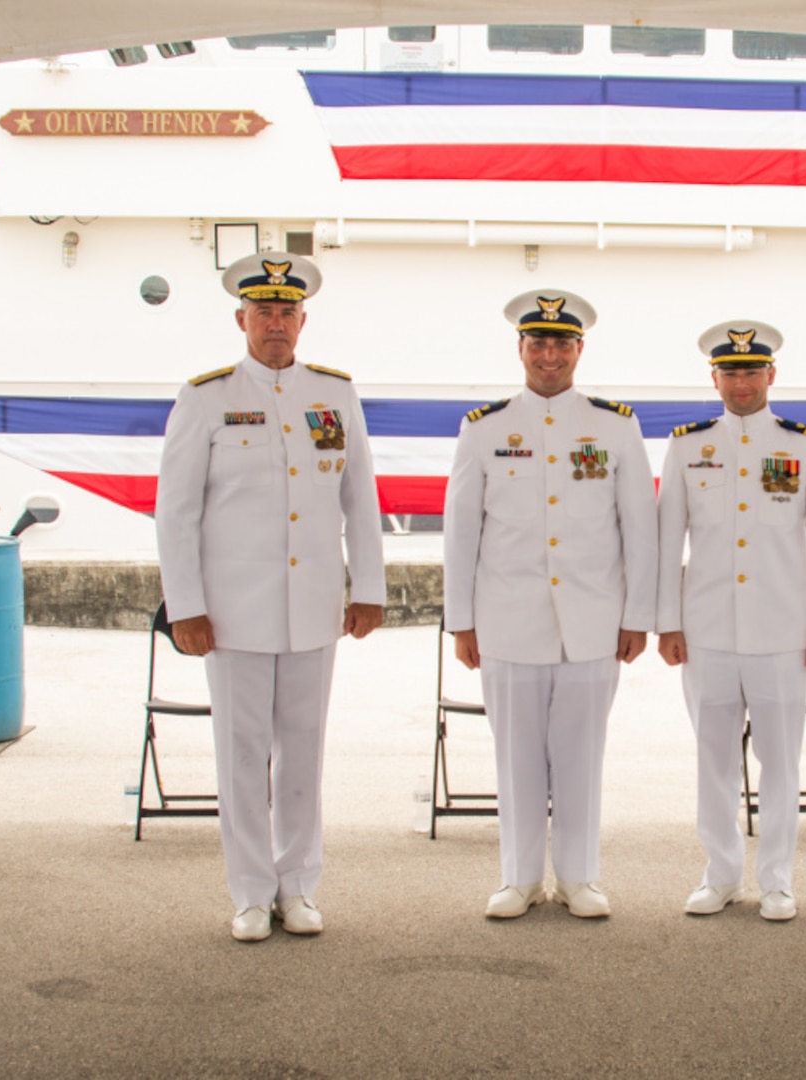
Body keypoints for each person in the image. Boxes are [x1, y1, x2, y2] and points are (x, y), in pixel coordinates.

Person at [155, 252, 385, 942]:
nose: (276, 324)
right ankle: (251, 893)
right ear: (241, 319)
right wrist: (185, 606)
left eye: (287, 312)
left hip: (314, 607)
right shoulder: (207, 397)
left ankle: (299, 887)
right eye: (264, 312)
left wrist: (367, 588)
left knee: (303, 753)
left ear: (303, 319)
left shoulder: (335, 394)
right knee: (241, 753)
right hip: (232, 613)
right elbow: (176, 513)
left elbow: (359, 500)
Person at [442, 290, 657, 920]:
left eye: (562, 343)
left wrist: (636, 616)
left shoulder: (615, 425)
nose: (550, 354)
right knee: (516, 759)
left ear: (579, 350)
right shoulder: (484, 428)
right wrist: (462, 620)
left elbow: (638, 528)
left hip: (593, 623)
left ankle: (580, 877)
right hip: (508, 623)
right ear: (521, 349)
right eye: (538, 342)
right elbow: (462, 532)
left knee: (581, 755)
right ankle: (518, 878)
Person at [655, 321, 806, 922]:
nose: (741, 382)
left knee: (781, 763)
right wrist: (667, 621)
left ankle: (777, 880)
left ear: (772, 375)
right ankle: (719, 875)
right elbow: (668, 541)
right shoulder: (688, 445)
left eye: (752, 370)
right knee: (713, 761)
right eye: (730, 372)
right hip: (707, 630)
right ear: (714, 378)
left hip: (783, 633)